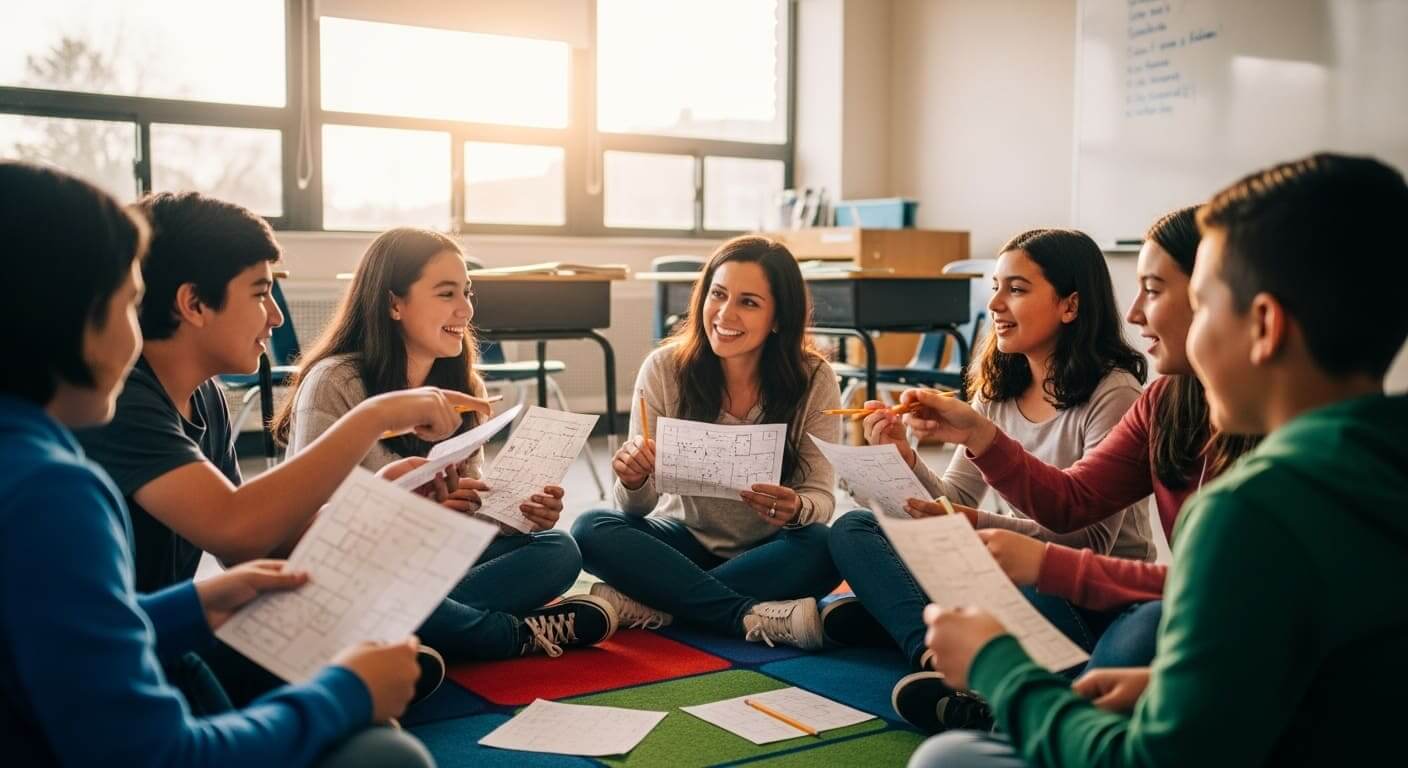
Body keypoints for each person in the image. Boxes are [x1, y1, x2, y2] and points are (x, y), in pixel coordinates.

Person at [911, 153, 1408, 767]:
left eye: (1198, 299)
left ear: (1263, 325)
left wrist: (999, 667)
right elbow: (1335, 665)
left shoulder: (1252, 508)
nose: (1135, 316)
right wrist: (984, 438)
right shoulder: (1373, 460)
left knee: (947, 758)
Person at [0, 160, 433, 767]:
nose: (135, 335)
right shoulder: (50, 486)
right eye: (128, 306)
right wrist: (346, 694)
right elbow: (156, 754)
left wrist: (193, 606)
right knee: (386, 755)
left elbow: (59, 630)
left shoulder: (49, 456)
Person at [75, 192, 492, 705]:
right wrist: (377, 416)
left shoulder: (207, 397)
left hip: (160, 633)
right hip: (116, 658)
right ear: (194, 304)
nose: (274, 318)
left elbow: (246, 548)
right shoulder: (127, 400)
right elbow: (232, 524)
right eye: (260, 293)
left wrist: (381, 494)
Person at [825, 228, 1152, 732]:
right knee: (853, 528)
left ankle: (923, 629)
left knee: (1026, 582)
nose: (995, 303)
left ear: (1070, 305)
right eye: (995, 286)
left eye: (1016, 289)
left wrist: (971, 524)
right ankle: (933, 657)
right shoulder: (1000, 389)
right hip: (1000, 563)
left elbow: (1086, 540)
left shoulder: (1114, 392)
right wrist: (903, 460)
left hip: (1081, 593)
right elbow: (955, 498)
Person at [275, 227, 616, 662]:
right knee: (374, 596)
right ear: (393, 302)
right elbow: (306, 525)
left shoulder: (461, 383)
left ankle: (406, 635)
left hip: (432, 565)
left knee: (559, 549)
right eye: (446, 293)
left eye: (468, 292)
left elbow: (469, 514)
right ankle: (514, 635)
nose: (466, 308)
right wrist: (413, 511)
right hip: (360, 570)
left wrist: (517, 515)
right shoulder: (335, 383)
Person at [572, 236, 843, 650]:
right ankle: (744, 616)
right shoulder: (664, 368)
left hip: (768, 549)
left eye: (748, 302)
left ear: (778, 319)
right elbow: (635, 509)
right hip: (680, 542)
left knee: (825, 545)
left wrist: (797, 507)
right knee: (590, 528)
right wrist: (632, 480)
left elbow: (821, 497)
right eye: (718, 294)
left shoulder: (814, 378)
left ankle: (659, 607)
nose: (725, 313)